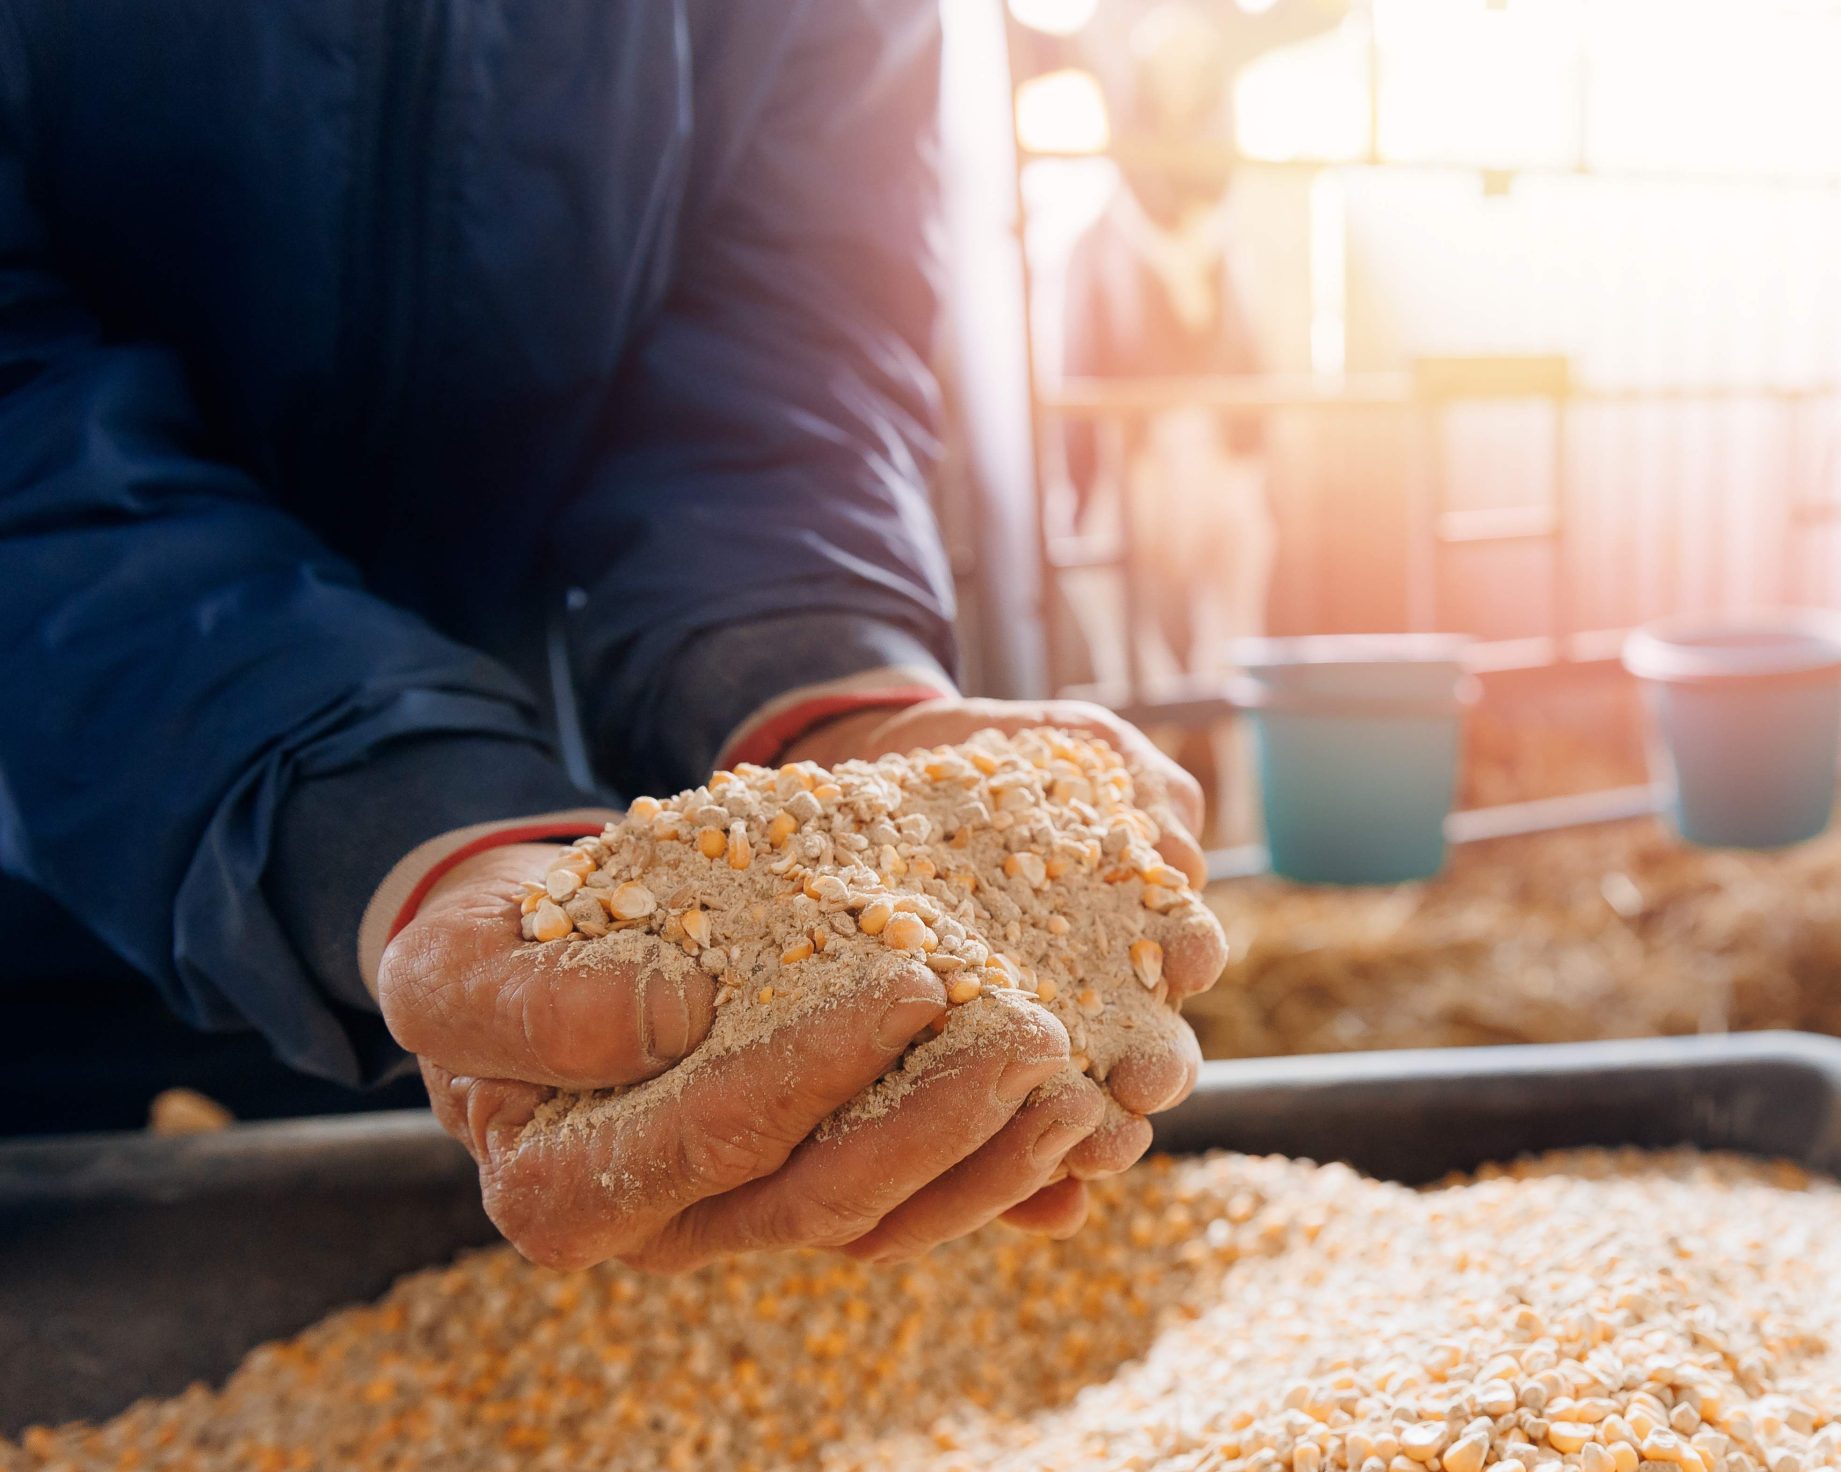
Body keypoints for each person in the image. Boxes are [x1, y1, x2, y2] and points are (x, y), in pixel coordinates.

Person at [0, 2, 1221, 1268]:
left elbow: (795, 327)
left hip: (525, 909)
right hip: (56, 877)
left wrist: (817, 683)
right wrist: (373, 801)